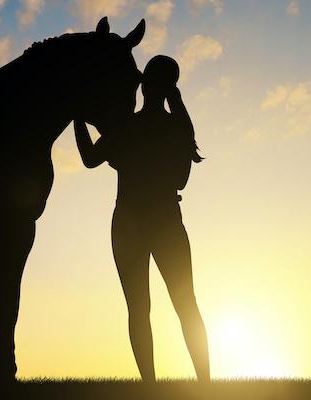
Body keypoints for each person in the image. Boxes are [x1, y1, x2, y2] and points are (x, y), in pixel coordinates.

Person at [74, 55, 210, 382]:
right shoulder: (175, 125)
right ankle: (205, 384)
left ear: (144, 82)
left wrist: (77, 116)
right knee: (184, 303)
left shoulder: (130, 126)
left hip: (133, 222)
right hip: (163, 220)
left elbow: (91, 158)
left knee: (141, 307)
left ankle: (151, 386)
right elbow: (179, 180)